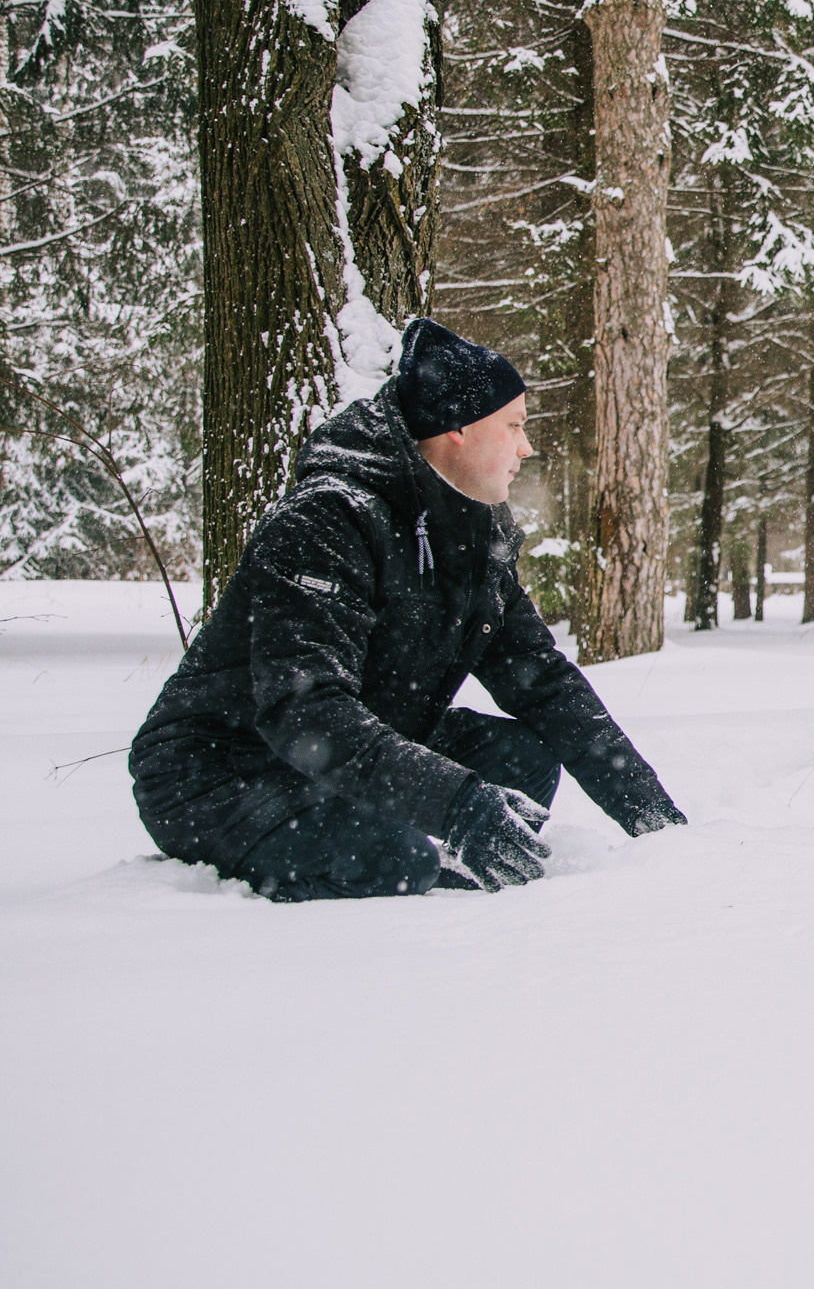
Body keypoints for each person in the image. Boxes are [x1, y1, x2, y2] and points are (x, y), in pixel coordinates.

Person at [129, 318, 686, 900]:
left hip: (345, 751)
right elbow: (304, 709)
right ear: (457, 430)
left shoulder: (476, 532)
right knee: (395, 861)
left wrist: (654, 820)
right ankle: (420, 902)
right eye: (515, 426)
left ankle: (469, 882)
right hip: (220, 770)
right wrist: (456, 804)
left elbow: (541, 680)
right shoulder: (326, 521)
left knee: (523, 758)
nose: (526, 446)